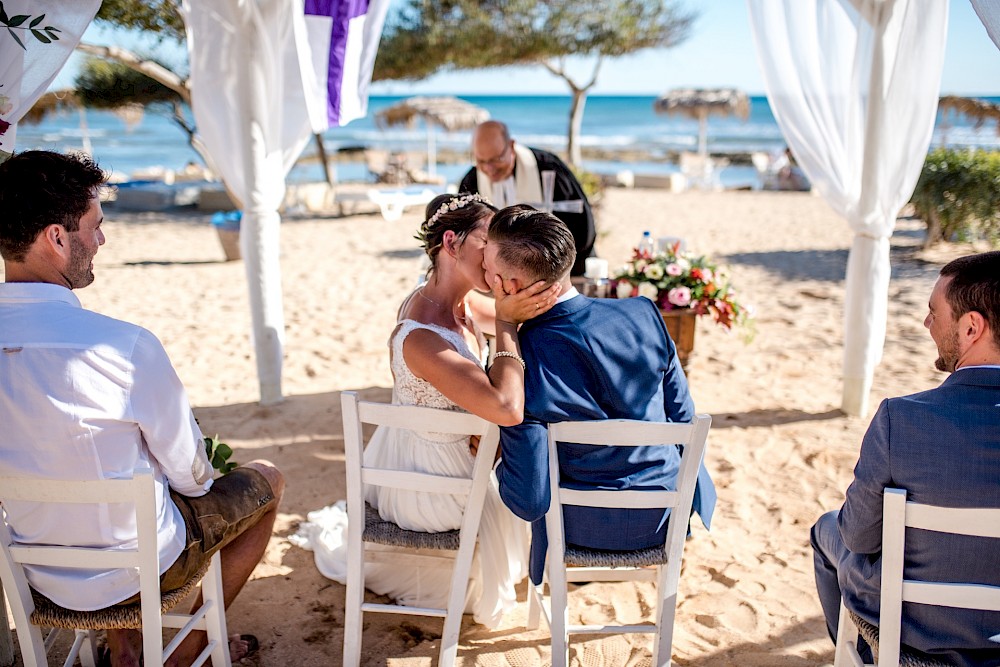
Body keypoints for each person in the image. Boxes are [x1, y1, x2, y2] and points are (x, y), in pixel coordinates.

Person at [0, 150, 285, 666]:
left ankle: (126, 650)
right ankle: (184, 652)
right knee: (266, 480)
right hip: (140, 573)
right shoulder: (122, 347)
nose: (101, 241)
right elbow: (193, 479)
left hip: (38, 576)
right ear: (57, 238)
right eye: (94, 226)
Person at [291, 193, 560, 628]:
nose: (496, 254)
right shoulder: (421, 335)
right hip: (426, 481)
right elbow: (507, 408)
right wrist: (507, 324)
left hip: (443, 454)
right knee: (532, 479)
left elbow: (527, 315)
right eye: (487, 243)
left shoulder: (464, 302)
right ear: (451, 244)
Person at [482, 205, 716, 585]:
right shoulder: (644, 313)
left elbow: (529, 499)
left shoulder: (526, 357)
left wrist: (504, 322)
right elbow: (684, 419)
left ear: (509, 287)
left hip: (579, 530)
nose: (485, 276)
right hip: (663, 517)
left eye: (489, 272)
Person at [810, 251, 1000, 667]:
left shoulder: (903, 418)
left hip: (917, 632)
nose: (926, 323)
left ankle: (864, 654)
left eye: (935, 312)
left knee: (827, 530)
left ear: (971, 327)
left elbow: (858, 537)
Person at [459, 120, 596, 277]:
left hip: (560, 272)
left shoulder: (548, 170)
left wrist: (559, 273)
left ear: (511, 146)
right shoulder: (472, 181)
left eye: (496, 159)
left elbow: (581, 224)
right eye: (481, 161)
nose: (489, 169)